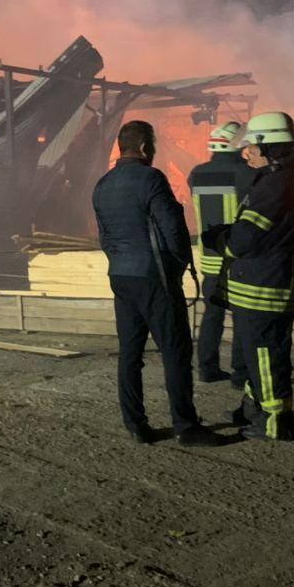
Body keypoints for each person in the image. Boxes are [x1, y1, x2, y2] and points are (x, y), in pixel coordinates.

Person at [92, 120, 219, 446]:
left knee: (130, 353)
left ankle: (136, 425)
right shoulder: (151, 179)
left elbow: (105, 236)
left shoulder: (103, 185)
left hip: (121, 277)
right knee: (175, 350)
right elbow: (173, 229)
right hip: (154, 277)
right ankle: (186, 426)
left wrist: (121, 263)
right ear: (144, 147)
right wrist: (177, 267)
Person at [202, 112, 294, 440]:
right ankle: (253, 407)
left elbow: (246, 239)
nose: (246, 152)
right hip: (265, 283)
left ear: (270, 147)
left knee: (265, 354)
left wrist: (221, 238)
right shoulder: (282, 178)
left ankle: (273, 420)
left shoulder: (277, 184)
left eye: (251, 146)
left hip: (264, 287)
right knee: (258, 354)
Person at [186, 120, 261, 383]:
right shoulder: (248, 174)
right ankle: (241, 374)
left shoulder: (196, 174)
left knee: (212, 315)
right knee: (242, 317)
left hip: (210, 260)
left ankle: (207, 369)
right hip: (239, 260)